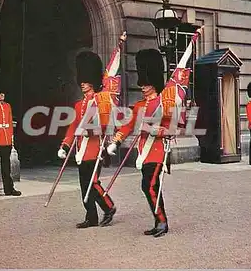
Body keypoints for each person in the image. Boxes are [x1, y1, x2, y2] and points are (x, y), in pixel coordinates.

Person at [106, 44, 194, 237]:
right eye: (142, 83)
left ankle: (162, 221)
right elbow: (128, 126)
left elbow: (174, 129)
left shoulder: (164, 102)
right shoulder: (139, 106)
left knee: (149, 185)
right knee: (149, 186)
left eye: (146, 83)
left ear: (153, 82)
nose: (142, 86)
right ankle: (158, 221)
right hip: (144, 154)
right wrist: (116, 141)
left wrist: (157, 131)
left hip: (157, 151)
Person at [57, 32, 126, 228]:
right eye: (82, 80)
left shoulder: (101, 101)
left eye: (86, 80)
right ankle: (91, 217)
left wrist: (92, 131)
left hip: (95, 147)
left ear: (92, 81)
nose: (83, 83)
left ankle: (109, 206)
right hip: (81, 149)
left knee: (93, 183)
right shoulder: (79, 105)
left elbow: (105, 125)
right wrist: (65, 144)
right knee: (83, 184)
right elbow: (73, 127)